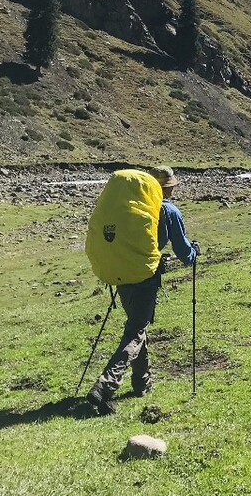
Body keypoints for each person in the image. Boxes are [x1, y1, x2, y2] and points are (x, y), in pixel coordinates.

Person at [85, 165, 198, 416]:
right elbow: (183, 251)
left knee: (136, 325)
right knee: (136, 331)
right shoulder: (167, 210)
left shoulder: (130, 207)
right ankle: (105, 385)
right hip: (145, 276)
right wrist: (194, 254)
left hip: (121, 272)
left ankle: (141, 382)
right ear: (167, 188)